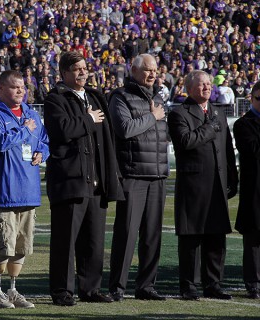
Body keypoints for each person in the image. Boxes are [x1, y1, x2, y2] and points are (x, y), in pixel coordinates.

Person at [44, 51, 122, 306]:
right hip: (70, 180)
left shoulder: (95, 97)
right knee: (65, 241)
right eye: (76, 69)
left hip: (96, 181)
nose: (82, 72)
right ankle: (62, 291)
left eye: (84, 67)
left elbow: (106, 142)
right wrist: (88, 119)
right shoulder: (55, 99)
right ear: (64, 73)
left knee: (94, 241)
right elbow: (63, 130)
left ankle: (90, 289)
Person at [0, 70, 49, 309]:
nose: (20, 90)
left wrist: (43, 153)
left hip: (28, 191)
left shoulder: (32, 115)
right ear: (0, 89)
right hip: (2, 192)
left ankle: (13, 290)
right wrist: (25, 130)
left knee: (21, 245)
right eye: (14, 87)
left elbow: (45, 141)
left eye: (22, 87)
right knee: (2, 244)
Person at [167, 70, 238, 301]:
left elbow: (227, 149)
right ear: (189, 88)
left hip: (218, 184)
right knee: (191, 238)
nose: (207, 87)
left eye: (209, 84)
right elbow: (186, 142)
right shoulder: (179, 113)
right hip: (194, 185)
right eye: (202, 84)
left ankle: (213, 283)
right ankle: (189, 285)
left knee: (216, 236)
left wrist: (233, 179)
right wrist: (210, 128)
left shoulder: (217, 112)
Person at [108, 54, 169, 302]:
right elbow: (124, 130)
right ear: (133, 70)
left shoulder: (157, 98)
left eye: (155, 70)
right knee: (126, 233)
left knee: (152, 235)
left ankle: (146, 286)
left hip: (157, 175)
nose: (152, 74)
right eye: (147, 70)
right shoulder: (120, 97)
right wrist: (152, 117)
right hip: (133, 174)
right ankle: (117, 286)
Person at [233, 80, 260, 299]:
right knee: (253, 239)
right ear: (251, 98)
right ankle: (253, 283)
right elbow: (253, 150)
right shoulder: (243, 124)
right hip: (255, 191)